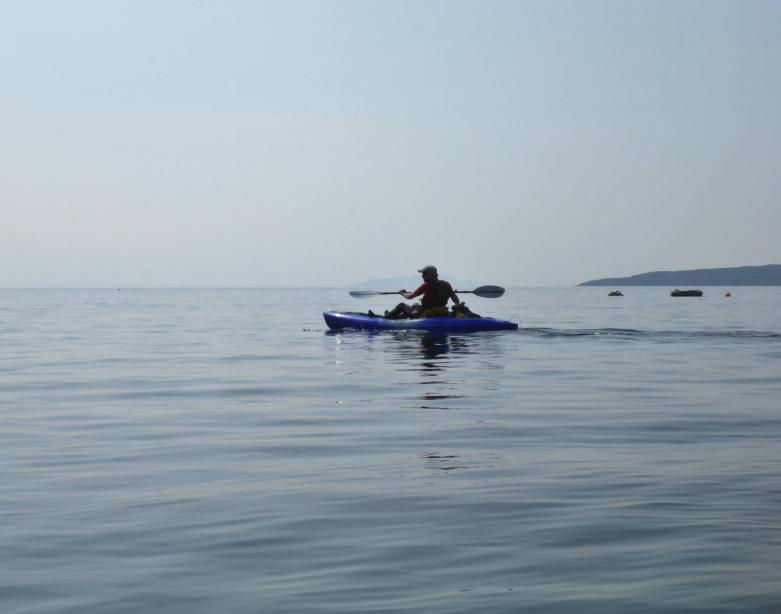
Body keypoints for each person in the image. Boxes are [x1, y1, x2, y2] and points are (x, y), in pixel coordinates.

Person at [384, 265, 460, 319]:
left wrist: (402, 293)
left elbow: (410, 297)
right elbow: (456, 301)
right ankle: (394, 315)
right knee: (416, 305)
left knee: (401, 305)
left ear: (428, 275)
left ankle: (386, 318)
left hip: (427, 314)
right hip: (442, 312)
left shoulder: (426, 285)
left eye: (423, 274)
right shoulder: (446, 284)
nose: (422, 276)